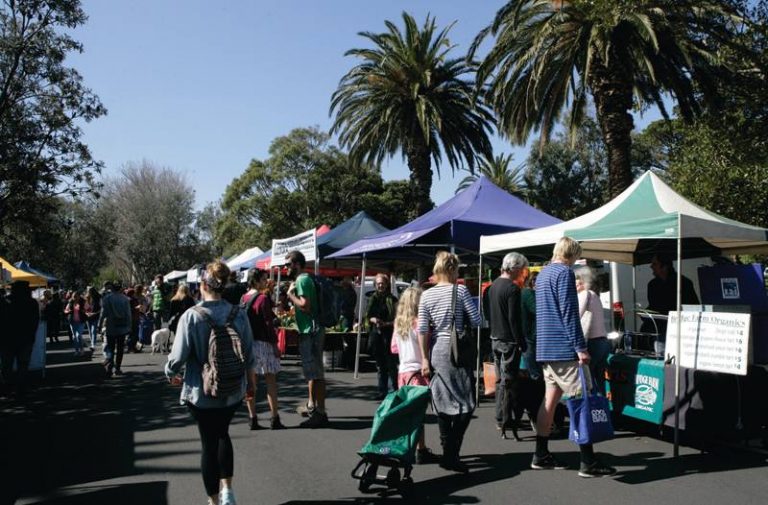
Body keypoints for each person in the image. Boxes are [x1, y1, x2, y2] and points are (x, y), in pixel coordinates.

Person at [166, 260, 255, 505]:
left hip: (200, 391)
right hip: (231, 391)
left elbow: (177, 358)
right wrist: (251, 384)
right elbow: (249, 354)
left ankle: (214, 501)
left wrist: (169, 372)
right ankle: (228, 491)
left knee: (208, 443)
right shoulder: (239, 314)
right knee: (223, 434)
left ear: (202, 284)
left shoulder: (191, 317)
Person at [533, 237, 616, 478]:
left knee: (549, 401)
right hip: (563, 349)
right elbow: (569, 313)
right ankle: (588, 461)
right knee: (581, 401)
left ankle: (541, 453)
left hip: (546, 348)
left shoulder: (543, 274)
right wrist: (580, 347)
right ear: (571, 255)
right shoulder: (564, 274)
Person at [418, 251, 481, 473]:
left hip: (436, 351)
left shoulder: (426, 295)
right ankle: (451, 452)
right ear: (453, 269)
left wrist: (424, 358)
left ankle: (448, 450)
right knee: (467, 402)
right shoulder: (460, 290)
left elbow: (423, 329)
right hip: (457, 351)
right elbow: (476, 319)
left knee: (442, 401)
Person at [391, 287, 437, 464]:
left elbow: (393, 349)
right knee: (418, 414)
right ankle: (420, 449)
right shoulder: (420, 323)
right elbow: (427, 345)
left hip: (402, 371)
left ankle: (415, 447)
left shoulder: (398, 323)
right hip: (418, 371)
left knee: (409, 413)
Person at [285, 250, 329, 429]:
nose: (285, 268)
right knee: (313, 373)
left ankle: (321, 413)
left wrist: (290, 295)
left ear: (296, 264)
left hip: (311, 332)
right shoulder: (305, 279)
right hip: (313, 330)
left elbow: (305, 304)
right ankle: (315, 408)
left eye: (288, 264)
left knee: (316, 374)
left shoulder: (302, 280)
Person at [487, 252, 529, 437]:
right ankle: (503, 418)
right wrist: (520, 342)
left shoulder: (492, 286)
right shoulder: (512, 289)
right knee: (508, 381)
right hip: (508, 340)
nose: (523, 273)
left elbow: (488, 314)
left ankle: (500, 417)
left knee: (500, 380)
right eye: (522, 269)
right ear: (515, 268)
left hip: (495, 337)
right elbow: (514, 319)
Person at [241, 269, 285, 430]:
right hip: (264, 344)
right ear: (257, 281)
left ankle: (252, 418)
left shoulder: (244, 298)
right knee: (270, 381)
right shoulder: (262, 299)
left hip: (248, 344)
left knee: (251, 383)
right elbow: (268, 324)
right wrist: (275, 346)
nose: (266, 282)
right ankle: (275, 418)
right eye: (264, 279)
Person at [643, 253, 700, 337]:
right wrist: (644, 313)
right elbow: (653, 307)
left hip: (680, 329)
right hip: (658, 329)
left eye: (655, 264)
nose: (651, 266)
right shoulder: (652, 285)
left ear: (665, 266)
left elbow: (692, 307)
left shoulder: (684, 283)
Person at [0, 281, 40, 397]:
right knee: (23, 364)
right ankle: (21, 387)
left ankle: (7, 387)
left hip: (7, 339)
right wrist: (32, 335)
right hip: (24, 339)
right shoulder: (31, 303)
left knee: (7, 365)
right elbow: (34, 322)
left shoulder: (5, 301)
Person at [576, 268, 610, 395]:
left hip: (592, 343)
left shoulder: (585, 294)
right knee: (599, 381)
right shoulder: (594, 295)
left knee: (588, 382)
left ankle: (591, 412)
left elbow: (576, 315)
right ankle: (602, 411)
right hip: (603, 342)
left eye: (577, 282)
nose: (575, 284)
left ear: (584, 282)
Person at [366, 273, 398, 400]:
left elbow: (398, 318)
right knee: (380, 365)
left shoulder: (393, 299)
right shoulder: (372, 298)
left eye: (383, 283)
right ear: (375, 285)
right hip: (377, 334)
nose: (380, 285)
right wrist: (375, 320)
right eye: (378, 283)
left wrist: (387, 323)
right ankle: (382, 391)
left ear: (387, 285)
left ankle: (393, 391)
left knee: (391, 364)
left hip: (390, 333)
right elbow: (368, 316)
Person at [98, 281, 132, 377]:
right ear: (121, 288)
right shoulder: (125, 299)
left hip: (111, 326)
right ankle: (117, 368)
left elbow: (102, 314)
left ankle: (110, 366)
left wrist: (99, 325)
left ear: (112, 288)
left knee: (110, 348)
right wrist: (129, 326)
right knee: (120, 348)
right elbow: (128, 314)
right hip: (122, 327)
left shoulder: (107, 298)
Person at [64, 291, 87, 356]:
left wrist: (84, 311)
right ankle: (76, 350)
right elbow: (65, 310)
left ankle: (82, 349)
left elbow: (89, 309)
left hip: (81, 321)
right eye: (74, 297)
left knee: (78, 335)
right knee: (74, 337)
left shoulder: (83, 302)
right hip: (73, 321)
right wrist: (68, 311)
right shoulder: (70, 302)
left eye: (76, 296)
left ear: (79, 296)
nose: (75, 298)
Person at [84, 286, 102, 352]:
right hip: (88, 317)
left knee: (93, 330)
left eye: (90, 291)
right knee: (90, 331)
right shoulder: (87, 298)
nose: (89, 292)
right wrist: (86, 313)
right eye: (88, 291)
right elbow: (85, 308)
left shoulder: (98, 297)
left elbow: (101, 307)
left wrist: (95, 313)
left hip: (95, 316)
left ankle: (93, 345)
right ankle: (92, 343)